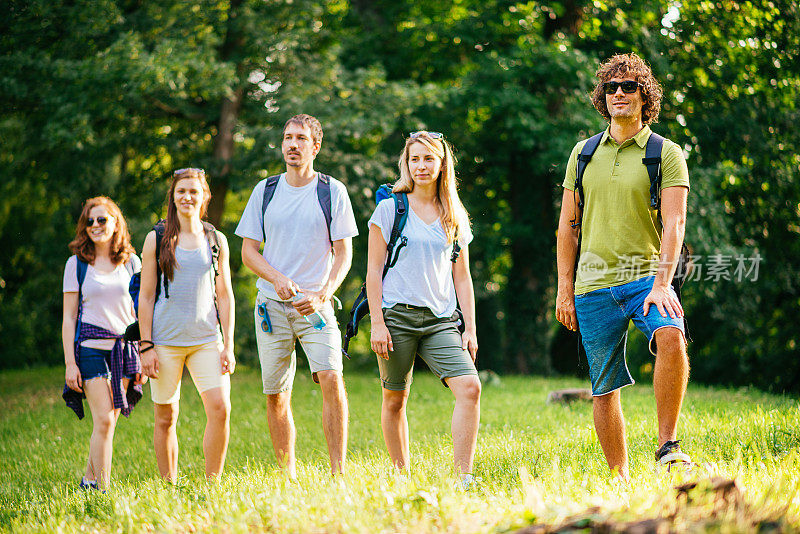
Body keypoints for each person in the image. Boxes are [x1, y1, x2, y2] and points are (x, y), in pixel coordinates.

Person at [555, 53, 692, 479]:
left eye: (628, 86)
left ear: (644, 96)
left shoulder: (665, 153)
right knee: (604, 386)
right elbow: (567, 228)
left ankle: (667, 445)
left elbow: (676, 223)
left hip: (646, 279)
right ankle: (619, 477)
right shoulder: (583, 152)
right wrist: (564, 288)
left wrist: (663, 284)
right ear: (603, 96)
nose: (618, 93)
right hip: (591, 286)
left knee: (671, 336)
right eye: (611, 87)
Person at [236, 114, 358, 476]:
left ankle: (338, 474)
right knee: (276, 393)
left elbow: (344, 252)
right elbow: (248, 251)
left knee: (332, 377)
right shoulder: (266, 190)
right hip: (271, 309)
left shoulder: (331, 191)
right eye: (288, 137)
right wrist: (276, 278)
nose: (292, 144)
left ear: (315, 146)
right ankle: (286, 474)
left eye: (301, 138)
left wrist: (323, 293)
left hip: (315, 309)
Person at [367, 131, 481, 489]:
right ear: (406, 163)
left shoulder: (454, 215)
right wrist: (377, 324)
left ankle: (463, 477)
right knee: (395, 399)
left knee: (470, 388)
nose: (421, 166)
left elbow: (462, 278)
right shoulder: (390, 209)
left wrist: (471, 328)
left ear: (442, 163)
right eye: (414, 159)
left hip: (441, 322)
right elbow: (372, 271)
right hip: (395, 317)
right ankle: (401, 476)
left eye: (428, 158)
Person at [138, 168, 236, 482]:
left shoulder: (216, 239)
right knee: (166, 416)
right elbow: (147, 295)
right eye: (181, 191)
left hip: (207, 339)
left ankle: (213, 482)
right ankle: (169, 485)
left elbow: (225, 294)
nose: (187, 197)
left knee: (220, 409)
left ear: (204, 196)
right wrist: (146, 345)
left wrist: (229, 344)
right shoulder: (156, 238)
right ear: (173, 197)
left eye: (194, 191)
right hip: (164, 342)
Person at [62, 196, 144, 491]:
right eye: (90, 221)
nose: (95, 225)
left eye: (102, 219)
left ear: (115, 223)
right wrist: (70, 363)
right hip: (91, 349)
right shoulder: (77, 265)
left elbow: (142, 309)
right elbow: (69, 318)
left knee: (108, 423)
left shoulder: (132, 261)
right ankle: (104, 490)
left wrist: (146, 350)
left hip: (125, 350)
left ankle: (88, 480)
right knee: (104, 421)